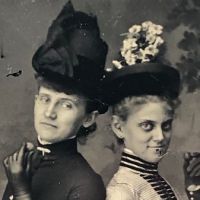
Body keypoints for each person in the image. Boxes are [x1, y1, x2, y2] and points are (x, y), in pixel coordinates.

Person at [2, 1, 108, 200]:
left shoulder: (86, 184)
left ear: (88, 118)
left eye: (66, 104)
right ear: (35, 100)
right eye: (45, 99)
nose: (49, 112)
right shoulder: (24, 166)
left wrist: (22, 193)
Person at [103, 21, 182, 199]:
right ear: (118, 127)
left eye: (166, 125)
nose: (160, 137)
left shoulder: (155, 181)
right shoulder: (122, 191)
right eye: (147, 126)